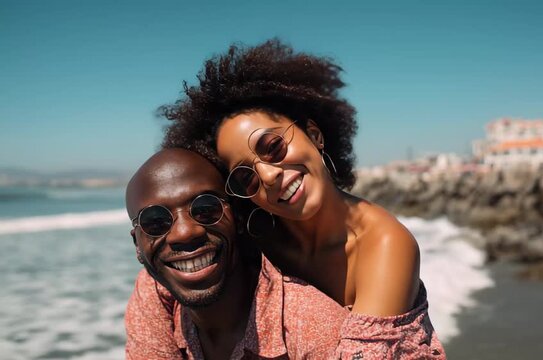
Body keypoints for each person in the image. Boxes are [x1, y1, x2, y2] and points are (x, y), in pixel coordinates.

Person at [161, 39, 446, 358]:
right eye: (246, 176)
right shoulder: (258, 238)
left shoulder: (385, 245)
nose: (269, 175)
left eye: (273, 148)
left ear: (315, 135)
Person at [125, 148, 349, 359]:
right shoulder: (153, 292)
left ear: (238, 218)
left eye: (205, 209)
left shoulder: (312, 327)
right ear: (138, 245)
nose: (184, 233)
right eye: (155, 222)